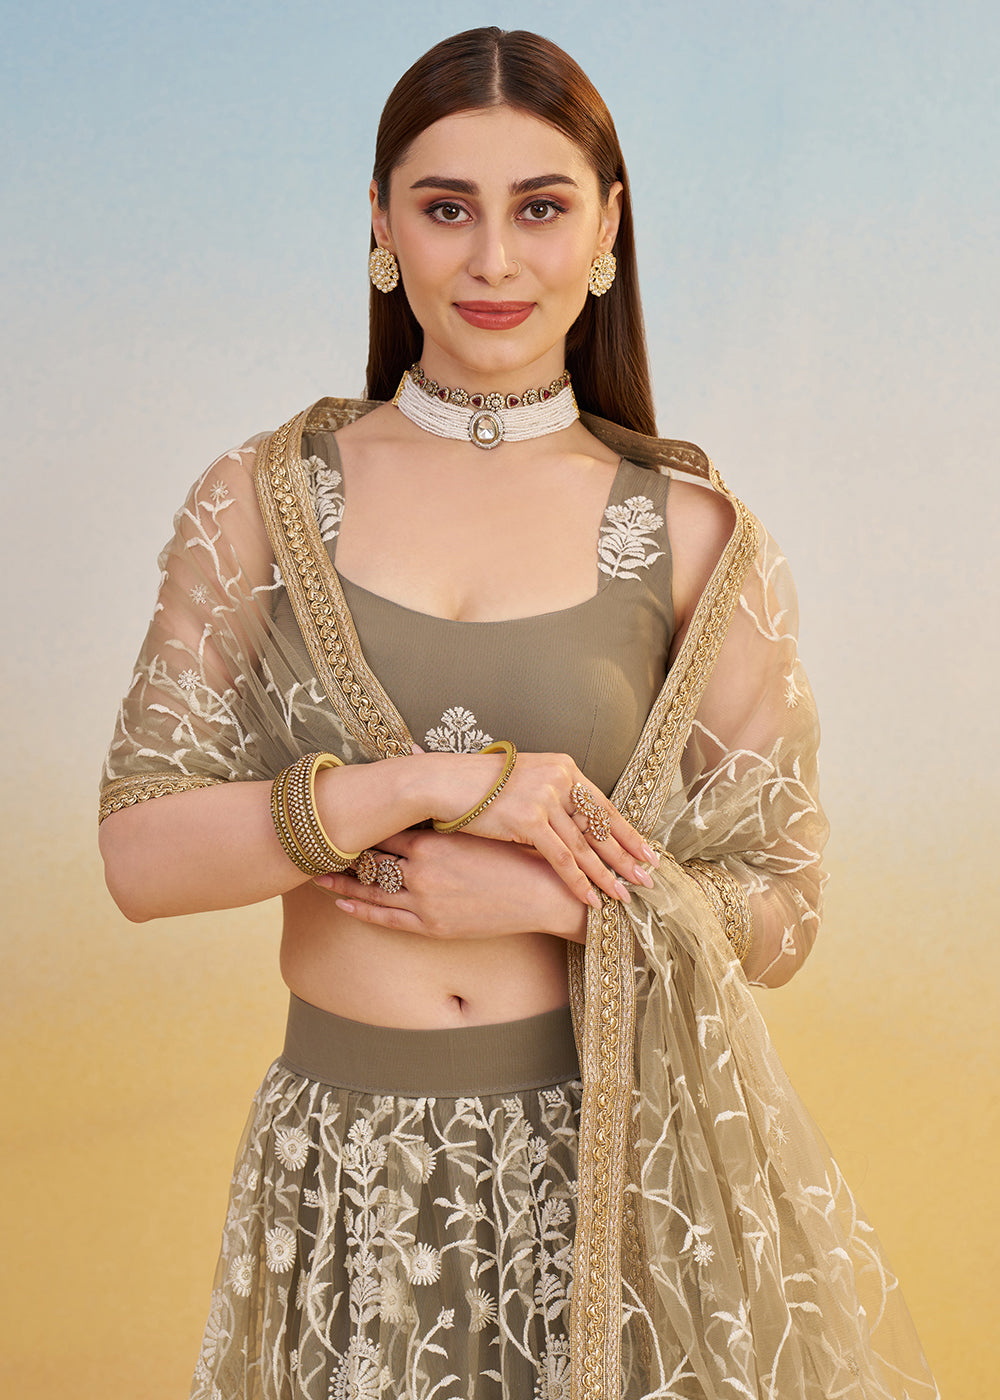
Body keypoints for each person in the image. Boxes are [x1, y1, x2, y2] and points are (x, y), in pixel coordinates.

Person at [99, 26, 939, 1400]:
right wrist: (427, 788)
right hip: (346, 1181)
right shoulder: (259, 499)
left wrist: (553, 899)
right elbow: (140, 856)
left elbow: (783, 909)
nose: (494, 260)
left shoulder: (692, 535)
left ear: (607, 228)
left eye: (540, 208)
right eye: (448, 209)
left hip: (609, 1181)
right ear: (382, 225)